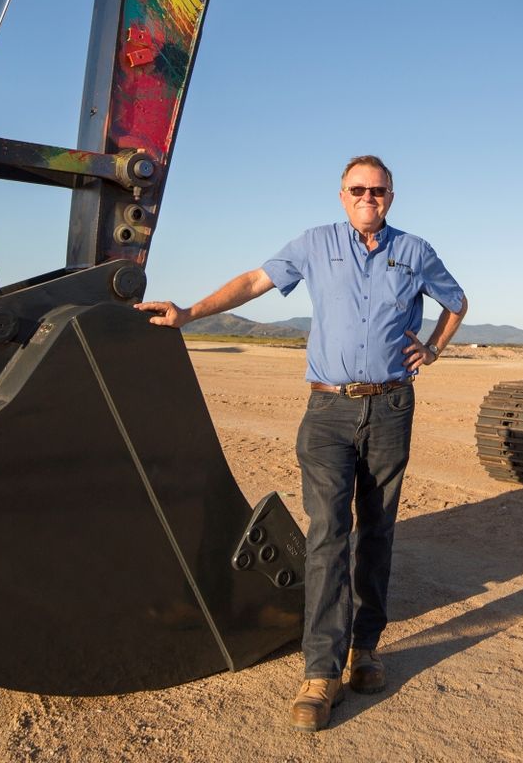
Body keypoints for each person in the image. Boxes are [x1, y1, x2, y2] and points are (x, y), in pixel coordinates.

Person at [137, 155, 467, 732]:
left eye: (379, 191)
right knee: (326, 533)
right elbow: (253, 282)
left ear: (391, 196)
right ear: (342, 195)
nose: (370, 197)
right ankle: (321, 671)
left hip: (390, 406)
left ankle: (365, 650)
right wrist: (189, 313)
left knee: (378, 529)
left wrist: (433, 349)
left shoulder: (415, 251)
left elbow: (457, 301)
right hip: (328, 411)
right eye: (358, 189)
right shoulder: (315, 244)